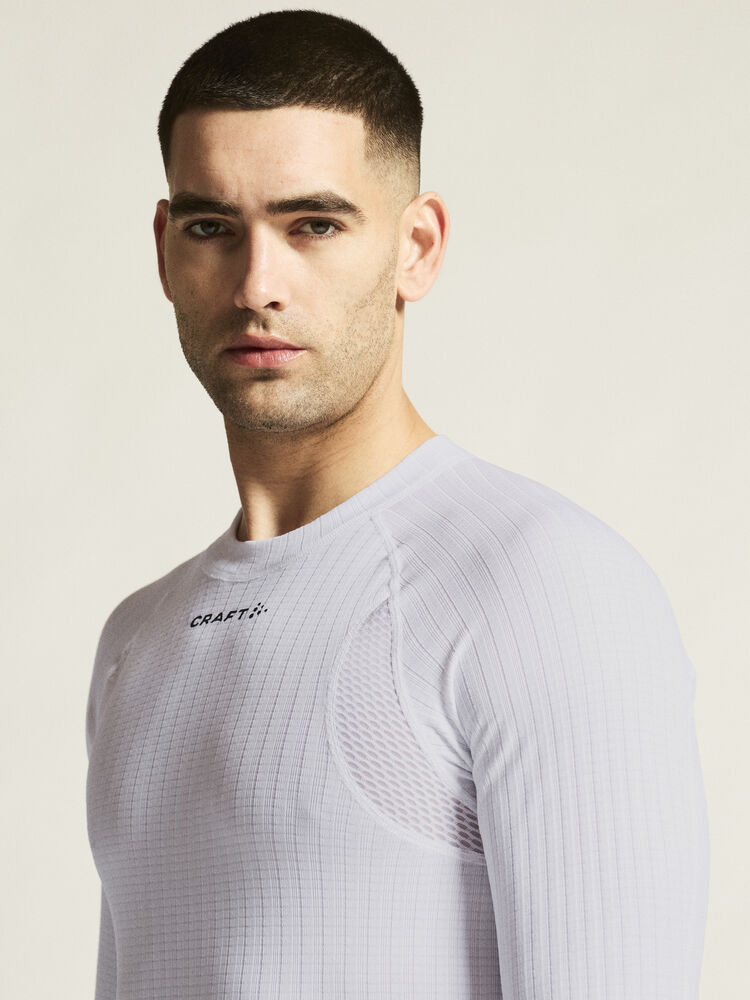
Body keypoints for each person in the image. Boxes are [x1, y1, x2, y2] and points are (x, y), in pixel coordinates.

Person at [84, 10, 710, 999]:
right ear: (166, 250)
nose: (257, 285)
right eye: (213, 228)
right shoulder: (137, 639)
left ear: (416, 246)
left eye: (314, 225)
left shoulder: (542, 587)